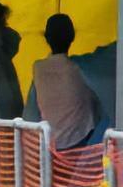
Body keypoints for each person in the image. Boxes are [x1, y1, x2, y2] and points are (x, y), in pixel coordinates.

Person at [23, 14, 98, 149]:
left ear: (46, 38)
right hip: (81, 142)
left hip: (48, 144)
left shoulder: (38, 68)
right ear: (72, 37)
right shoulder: (81, 68)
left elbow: (30, 114)